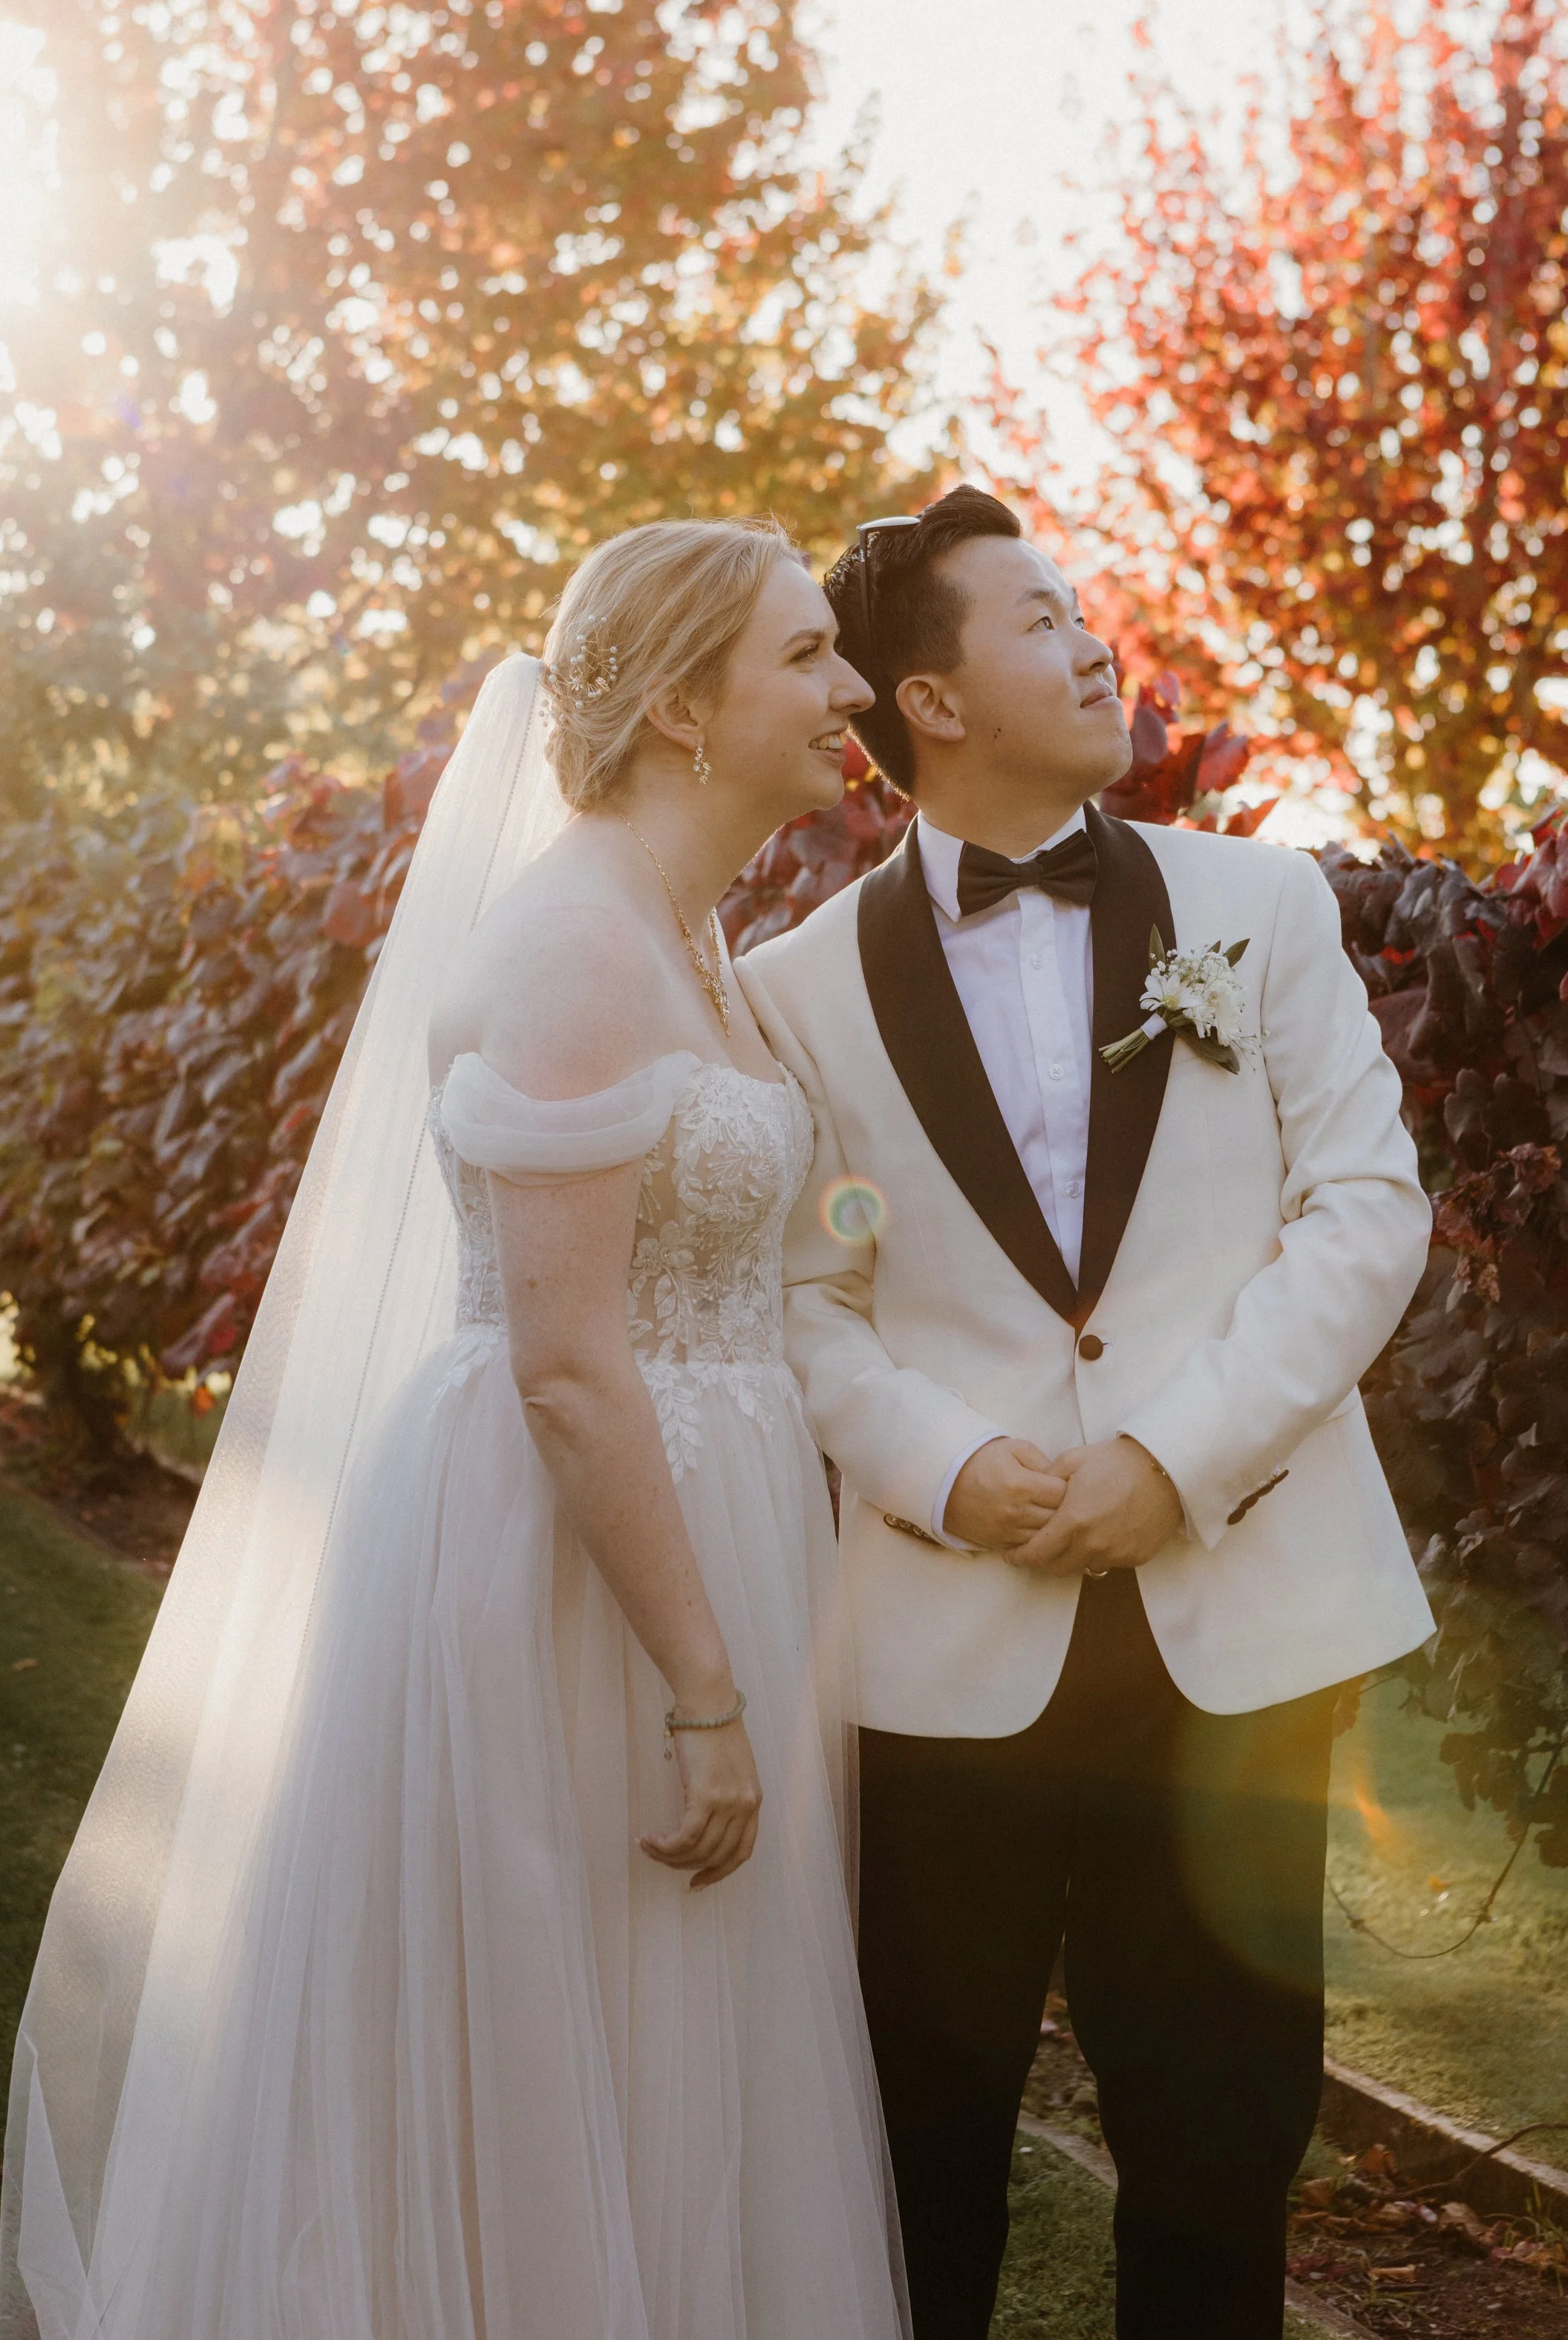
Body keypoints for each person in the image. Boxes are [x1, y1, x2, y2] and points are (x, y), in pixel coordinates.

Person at [0, 516, 910, 2340]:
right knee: (549, 2024)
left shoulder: (692, 933)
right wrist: (703, 1687)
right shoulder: (574, 947)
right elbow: (567, 1365)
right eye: (808, 655)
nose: (856, 690)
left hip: (694, 1534)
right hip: (574, 1574)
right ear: (678, 708)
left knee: (674, 2029)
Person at [736, 484, 1436, 2339]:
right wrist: (953, 1474)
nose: (1092, 640)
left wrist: (1171, 1460)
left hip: (1240, 1627)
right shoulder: (791, 995)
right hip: (946, 1639)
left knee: (1221, 2154)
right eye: (1039, 617)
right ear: (933, 699)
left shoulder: (1260, 902)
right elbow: (804, 1295)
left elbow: (1366, 1214)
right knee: (917, 2148)